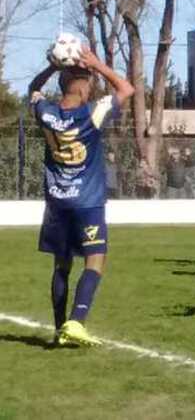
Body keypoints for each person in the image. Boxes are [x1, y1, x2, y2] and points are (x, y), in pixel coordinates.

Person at [28, 45, 135, 346]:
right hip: (87, 203)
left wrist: (52, 66)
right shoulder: (92, 113)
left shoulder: (45, 112)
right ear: (82, 86)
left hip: (57, 203)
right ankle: (76, 322)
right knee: (95, 261)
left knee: (61, 265)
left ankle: (59, 327)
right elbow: (127, 88)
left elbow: (33, 89)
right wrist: (98, 64)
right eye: (88, 83)